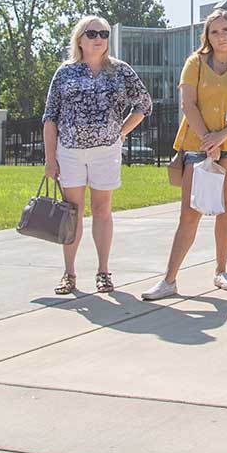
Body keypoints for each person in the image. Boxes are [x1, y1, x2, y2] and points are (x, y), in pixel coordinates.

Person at [141, 9, 227, 300]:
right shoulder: (194, 63)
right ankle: (169, 280)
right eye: (214, 31)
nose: (220, 36)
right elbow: (188, 104)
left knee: (226, 209)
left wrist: (221, 137)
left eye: (225, 30)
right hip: (197, 146)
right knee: (190, 214)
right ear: (207, 36)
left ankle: (221, 270)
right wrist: (209, 141)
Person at [42, 15, 153, 295]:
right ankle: (69, 273)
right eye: (92, 33)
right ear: (79, 38)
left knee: (102, 210)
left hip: (106, 152)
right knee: (72, 212)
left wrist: (121, 131)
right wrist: (49, 159)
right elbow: (49, 118)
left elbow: (144, 104)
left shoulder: (120, 70)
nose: (99, 38)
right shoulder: (65, 73)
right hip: (70, 152)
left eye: (103, 33)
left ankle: (103, 272)